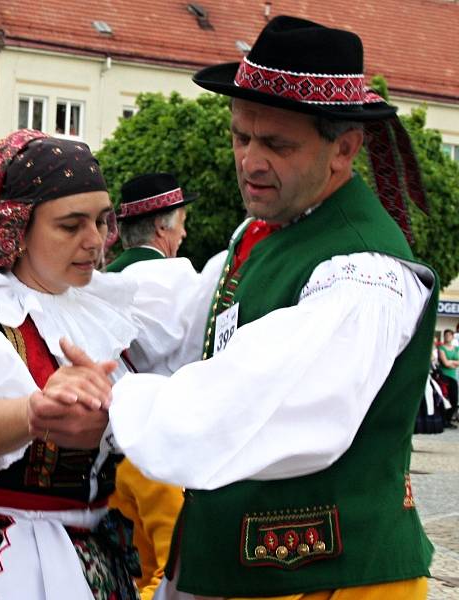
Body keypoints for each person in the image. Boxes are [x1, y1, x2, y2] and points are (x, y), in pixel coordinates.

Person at [65, 16, 438, 600]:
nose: (250, 160)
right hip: (245, 573)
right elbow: (184, 324)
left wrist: (114, 402)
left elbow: (259, 400)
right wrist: (45, 291)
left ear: (343, 149)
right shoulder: (259, 237)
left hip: (332, 582)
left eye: (277, 145)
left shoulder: (366, 273)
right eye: (242, 137)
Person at [0, 130, 207, 600]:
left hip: (91, 559)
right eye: (71, 226)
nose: (95, 241)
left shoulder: (105, 310)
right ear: (17, 231)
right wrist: (35, 413)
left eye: (101, 221)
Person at [105, 172, 197, 597]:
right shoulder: (179, 277)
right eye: (181, 221)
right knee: (172, 571)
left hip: (107, 452)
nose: (184, 231)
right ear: (162, 226)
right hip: (160, 453)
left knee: (125, 568)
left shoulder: (99, 280)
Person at [106, 173, 195, 272]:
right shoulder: (180, 275)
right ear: (161, 226)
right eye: (181, 222)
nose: (184, 233)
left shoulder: (102, 277)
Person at [438, 329, 459, 425]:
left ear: (452, 337)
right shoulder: (441, 348)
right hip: (444, 376)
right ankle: (444, 420)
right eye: (446, 335)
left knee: (454, 399)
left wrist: (451, 362)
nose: (447, 337)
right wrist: (453, 362)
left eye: (449, 335)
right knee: (445, 399)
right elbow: (445, 363)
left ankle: (449, 419)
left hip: (453, 377)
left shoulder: (456, 349)